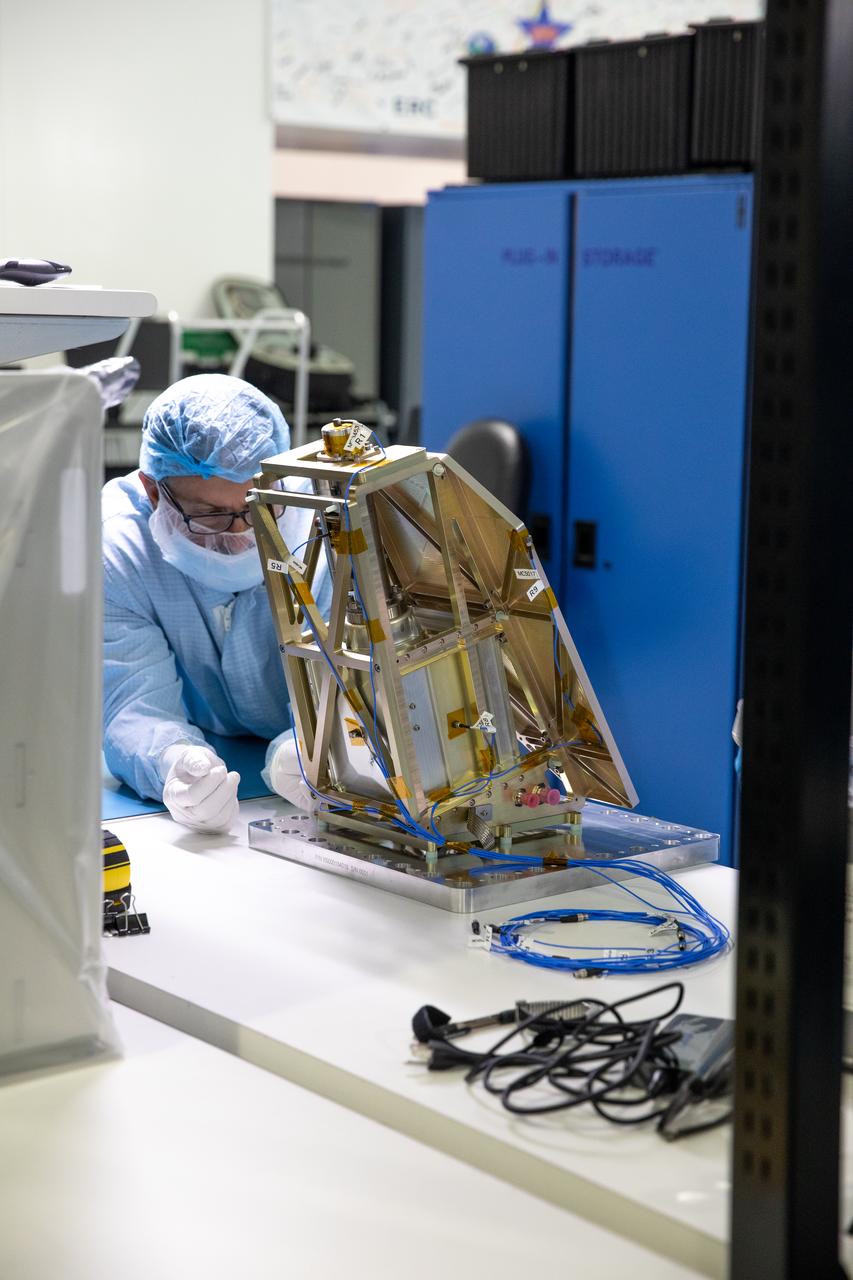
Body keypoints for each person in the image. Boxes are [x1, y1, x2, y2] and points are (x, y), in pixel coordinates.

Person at [102, 373, 329, 832]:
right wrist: (173, 761)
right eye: (209, 516)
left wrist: (326, 744)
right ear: (152, 491)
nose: (242, 535)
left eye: (257, 507)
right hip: (216, 756)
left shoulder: (330, 525)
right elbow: (133, 703)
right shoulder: (120, 548)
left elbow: (377, 684)